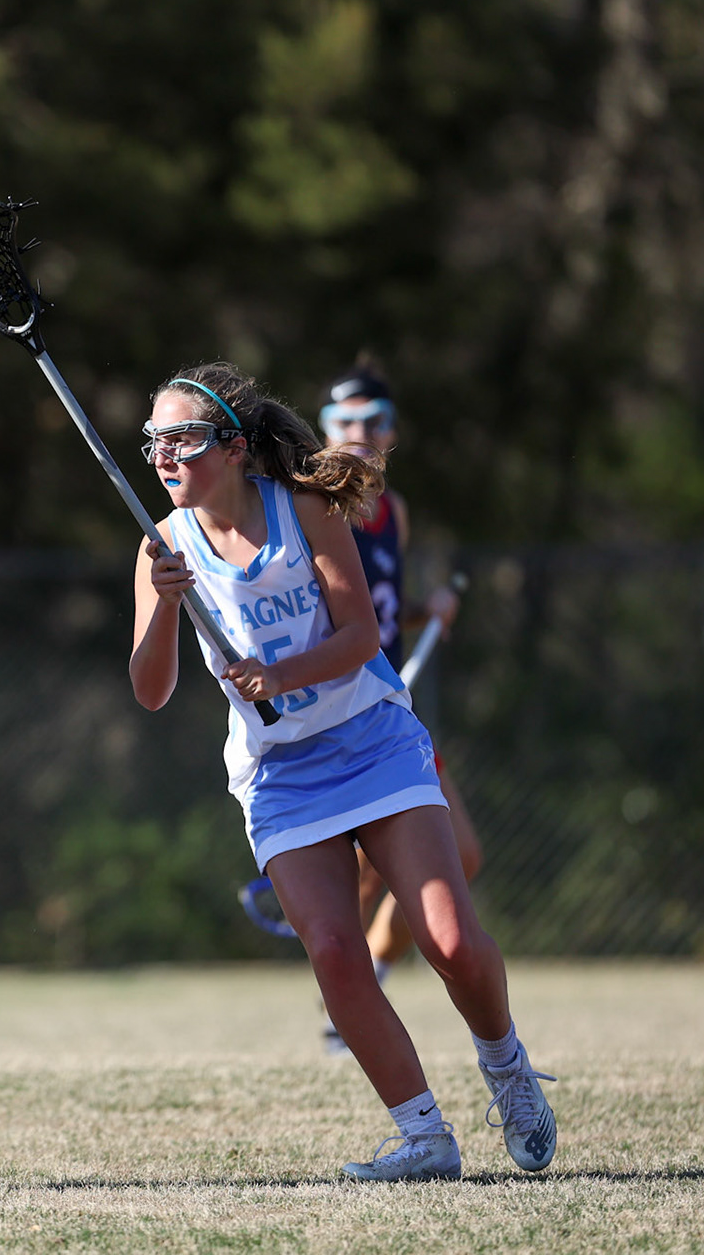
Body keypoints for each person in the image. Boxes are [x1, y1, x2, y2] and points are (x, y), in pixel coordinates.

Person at [127, 363, 555, 1181]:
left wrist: (279, 675)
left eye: (180, 437)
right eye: (153, 441)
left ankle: (504, 1064)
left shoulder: (307, 510)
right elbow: (150, 692)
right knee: (334, 951)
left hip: (371, 736)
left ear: (234, 445)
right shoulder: (162, 547)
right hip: (278, 771)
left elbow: (361, 635)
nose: (164, 454)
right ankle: (424, 1136)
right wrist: (166, 607)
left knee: (453, 939)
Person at [317, 362, 483, 1053]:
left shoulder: (394, 511)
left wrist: (427, 611)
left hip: (389, 706)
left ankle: (374, 970)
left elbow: (375, 611)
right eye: (346, 422)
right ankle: (347, 1003)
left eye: (373, 421)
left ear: (390, 431)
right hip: (331, 712)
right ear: (325, 431)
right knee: (348, 879)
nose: (360, 433)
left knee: (461, 857)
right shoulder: (310, 506)